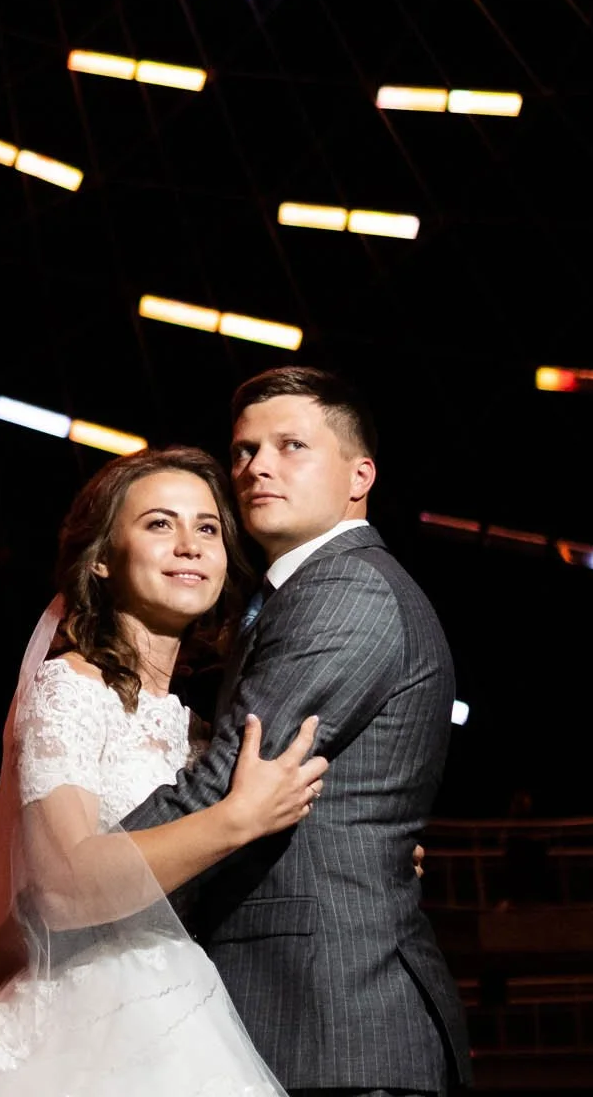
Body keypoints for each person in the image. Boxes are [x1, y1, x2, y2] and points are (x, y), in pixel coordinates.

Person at [0, 446, 329, 1097]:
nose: (189, 545)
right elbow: (62, 886)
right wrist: (235, 819)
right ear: (101, 559)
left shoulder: (198, 730)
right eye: (158, 524)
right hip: (92, 1023)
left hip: (194, 1012)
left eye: (207, 527)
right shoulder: (69, 691)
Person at [121, 367, 473, 1097]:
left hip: (335, 1024)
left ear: (359, 475)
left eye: (291, 446)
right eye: (245, 450)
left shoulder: (346, 591)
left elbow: (228, 781)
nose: (258, 467)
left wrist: (79, 880)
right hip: (301, 1015)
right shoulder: (293, 595)